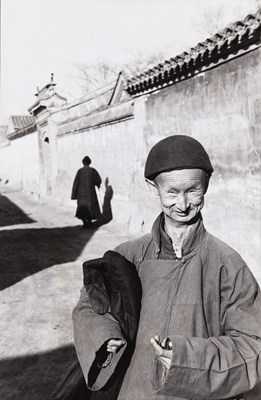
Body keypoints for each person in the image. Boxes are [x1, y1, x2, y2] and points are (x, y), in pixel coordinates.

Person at [72, 135, 261, 400]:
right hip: (133, 389)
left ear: (206, 183)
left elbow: (253, 345)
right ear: (153, 188)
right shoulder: (128, 256)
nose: (183, 205)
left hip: (198, 391)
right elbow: (91, 305)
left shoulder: (227, 264)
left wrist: (186, 358)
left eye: (193, 190)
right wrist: (105, 335)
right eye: (172, 192)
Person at [71, 156, 102, 229]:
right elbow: (98, 180)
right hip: (90, 194)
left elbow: (76, 183)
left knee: (82, 209)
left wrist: (74, 195)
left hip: (81, 195)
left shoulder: (79, 171)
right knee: (90, 208)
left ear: (83, 163)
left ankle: (85, 223)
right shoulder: (92, 171)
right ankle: (89, 223)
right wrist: (97, 185)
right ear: (89, 162)